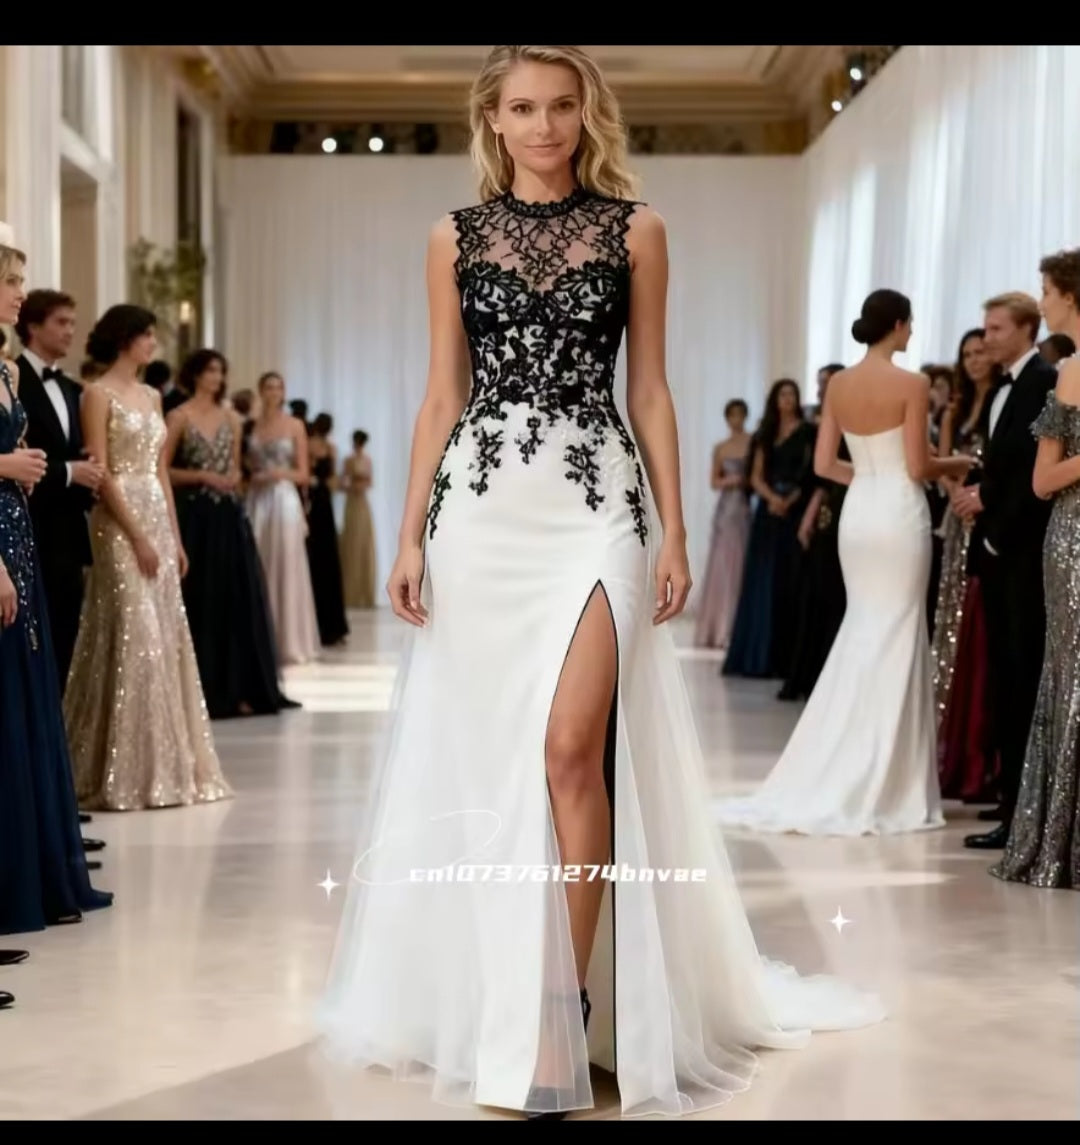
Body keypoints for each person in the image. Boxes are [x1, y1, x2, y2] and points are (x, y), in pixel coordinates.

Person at [315, 45, 884, 1122]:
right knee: (499, 754)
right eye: (522, 108)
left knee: (573, 747)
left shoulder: (638, 229)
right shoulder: (451, 237)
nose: (542, 126)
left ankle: (559, 1007)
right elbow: (441, 396)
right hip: (482, 512)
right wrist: (408, 535)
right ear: (492, 118)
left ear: (588, 113)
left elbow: (654, 389)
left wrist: (668, 530)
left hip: (596, 508)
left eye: (561, 106)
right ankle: (502, 985)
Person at [716, 290, 973, 836]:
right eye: (910, 325)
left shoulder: (839, 384)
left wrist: (870, 481)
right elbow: (918, 463)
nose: (911, 334)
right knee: (900, 630)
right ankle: (888, 781)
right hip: (899, 513)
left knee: (864, 627)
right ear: (899, 325)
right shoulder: (914, 384)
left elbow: (823, 463)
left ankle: (843, 762)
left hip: (860, 513)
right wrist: (964, 461)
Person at [64, 306, 232, 810]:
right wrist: (136, 535)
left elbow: (160, 472)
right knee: (137, 637)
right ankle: (122, 773)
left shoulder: (154, 396)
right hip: (117, 522)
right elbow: (101, 470)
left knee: (165, 636)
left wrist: (173, 538)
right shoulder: (97, 393)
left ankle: (166, 769)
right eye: (146, 335)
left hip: (157, 515)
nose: (153, 343)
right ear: (124, 340)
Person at [0, 226, 112, 955]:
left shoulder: (6, 369)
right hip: (2, 547)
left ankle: (33, 870)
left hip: (22, 541)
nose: (19, 292)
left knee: (28, 703)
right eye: (11, 282)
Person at [951, 293, 1058, 849]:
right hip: (998, 556)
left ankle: (1023, 811)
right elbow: (1002, 465)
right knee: (1005, 678)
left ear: (1025, 330)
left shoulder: (1044, 379)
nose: (985, 336)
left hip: (1021, 554)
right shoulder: (997, 387)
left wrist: (993, 528)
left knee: (1023, 678)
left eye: (995, 328)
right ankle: (1010, 798)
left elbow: (1033, 478)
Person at [991, 249, 1080, 889]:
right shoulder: (1070, 373)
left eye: (1046, 290)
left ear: (1069, 295)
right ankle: (1062, 841)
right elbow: (1044, 478)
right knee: (1069, 679)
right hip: (1073, 541)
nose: (1040, 300)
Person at [164, 349, 298, 718]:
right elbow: (163, 471)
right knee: (201, 598)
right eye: (209, 370)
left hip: (229, 516)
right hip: (196, 517)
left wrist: (234, 480)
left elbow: (237, 467)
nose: (216, 377)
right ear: (194, 374)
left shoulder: (233, 419)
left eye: (220, 371)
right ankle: (203, 689)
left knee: (236, 598)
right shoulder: (178, 417)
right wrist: (202, 476)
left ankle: (240, 687)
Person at [14, 289, 104, 692]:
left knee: (66, 636)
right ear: (33, 327)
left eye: (72, 322)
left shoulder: (71, 388)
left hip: (68, 531)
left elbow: (77, 452)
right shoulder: (12, 379)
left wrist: (89, 478)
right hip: (27, 525)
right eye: (61, 323)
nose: (71, 331)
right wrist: (70, 472)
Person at [693, 399, 751, 649]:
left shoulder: (753, 443)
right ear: (727, 419)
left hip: (747, 507)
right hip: (727, 509)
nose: (736, 419)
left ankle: (737, 629)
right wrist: (733, 480)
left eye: (740, 414)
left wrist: (745, 481)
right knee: (722, 565)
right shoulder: (720, 447)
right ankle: (718, 629)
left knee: (742, 562)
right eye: (732, 415)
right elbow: (714, 482)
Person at [339, 429, 377, 609]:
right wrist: (353, 484)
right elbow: (342, 482)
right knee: (351, 544)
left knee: (363, 544)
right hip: (352, 503)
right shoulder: (348, 460)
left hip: (361, 503)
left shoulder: (367, 460)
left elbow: (370, 482)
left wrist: (359, 484)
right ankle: (351, 593)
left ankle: (365, 593)